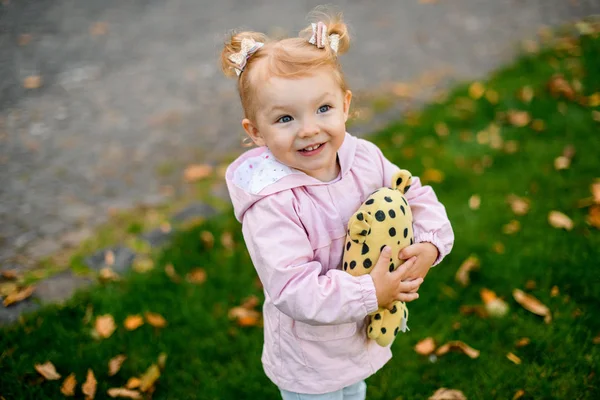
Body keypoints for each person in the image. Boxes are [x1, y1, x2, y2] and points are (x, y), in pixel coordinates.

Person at [222, 9, 454, 400]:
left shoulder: (364, 158)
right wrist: (370, 293)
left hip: (357, 339)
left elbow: (412, 194)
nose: (309, 128)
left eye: (323, 109)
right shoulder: (272, 203)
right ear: (255, 131)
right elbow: (293, 287)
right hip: (309, 360)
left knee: (354, 391)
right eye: (285, 118)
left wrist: (430, 245)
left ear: (345, 105)